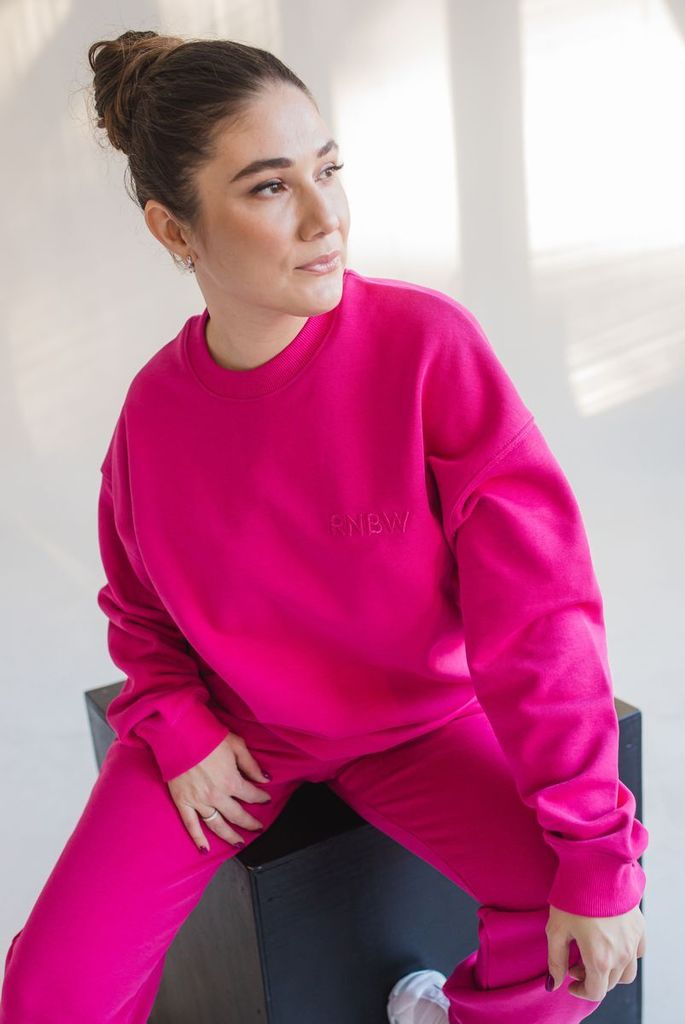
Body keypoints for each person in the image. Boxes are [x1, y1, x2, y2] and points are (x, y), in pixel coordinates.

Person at [0, 30, 649, 1024]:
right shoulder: (153, 416)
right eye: (270, 187)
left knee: (574, 936)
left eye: (329, 170)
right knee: (48, 996)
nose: (325, 217)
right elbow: (138, 613)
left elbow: (540, 614)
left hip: (421, 726)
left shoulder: (427, 351)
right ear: (175, 231)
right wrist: (177, 724)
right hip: (239, 734)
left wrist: (596, 851)